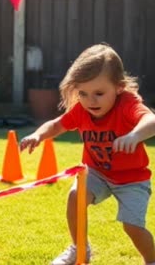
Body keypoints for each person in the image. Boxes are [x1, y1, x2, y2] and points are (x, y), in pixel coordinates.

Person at [19, 43, 155, 265]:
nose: (90, 101)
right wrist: (38, 135)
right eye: (83, 93)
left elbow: (151, 121)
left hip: (132, 179)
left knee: (132, 226)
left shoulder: (127, 104)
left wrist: (134, 136)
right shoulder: (82, 110)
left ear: (119, 87)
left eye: (99, 93)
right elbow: (56, 125)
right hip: (96, 173)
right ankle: (79, 248)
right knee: (75, 197)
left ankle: (151, 260)